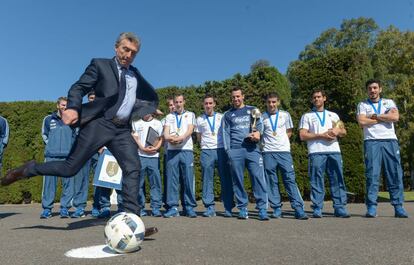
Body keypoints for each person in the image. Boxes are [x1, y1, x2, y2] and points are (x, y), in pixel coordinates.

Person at [1, 32, 159, 217]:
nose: (128, 55)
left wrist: (147, 107)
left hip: (122, 129)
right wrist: (74, 108)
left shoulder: (135, 74)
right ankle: (30, 169)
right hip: (100, 124)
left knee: (133, 168)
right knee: (70, 168)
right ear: (116, 47)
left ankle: (131, 219)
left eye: (133, 52)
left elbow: (129, 98)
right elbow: (78, 88)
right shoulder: (100, 65)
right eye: (125, 49)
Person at [356, 79, 408, 218]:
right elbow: (361, 121)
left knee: (394, 173)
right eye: (370, 88)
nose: (372, 91)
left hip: (390, 141)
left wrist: (374, 116)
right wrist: (385, 117)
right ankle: (372, 207)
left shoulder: (389, 102)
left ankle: (398, 207)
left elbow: (395, 117)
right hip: (371, 142)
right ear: (367, 91)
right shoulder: (362, 104)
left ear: (380, 89)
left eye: (375, 88)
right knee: (372, 174)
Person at [299, 88, 350, 218]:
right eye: (314, 97)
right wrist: (321, 135)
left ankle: (339, 207)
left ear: (324, 98)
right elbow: (303, 135)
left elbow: (344, 132)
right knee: (316, 180)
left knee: (337, 179)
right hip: (316, 152)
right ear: (312, 100)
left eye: (319, 97)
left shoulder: (334, 115)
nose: (316, 99)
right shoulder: (307, 116)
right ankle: (317, 208)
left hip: (334, 151)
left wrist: (336, 132)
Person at [222, 86, 269, 220]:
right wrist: (228, 150)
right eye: (233, 97)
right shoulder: (227, 114)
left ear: (243, 96)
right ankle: (242, 208)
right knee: (238, 180)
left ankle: (262, 209)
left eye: (238, 96)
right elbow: (226, 133)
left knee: (258, 178)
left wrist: (258, 134)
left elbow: (260, 125)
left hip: (252, 149)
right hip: (235, 150)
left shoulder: (252, 110)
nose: (236, 99)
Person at [261, 93, 308, 220]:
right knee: (272, 181)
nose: (271, 104)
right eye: (269, 102)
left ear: (278, 102)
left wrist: (281, 143)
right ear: (266, 103)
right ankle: (276, 208)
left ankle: (298, 208)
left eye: (274, 102)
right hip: (268, 152)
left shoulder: (285, 115)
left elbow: (289, 132)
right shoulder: (262, 117)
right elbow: (260, 134)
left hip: (283, 152)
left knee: (289, 179)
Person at [39, 97, 78, 218]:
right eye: (62, 105)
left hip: (67, 158)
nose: (64, 107)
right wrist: (51, 146)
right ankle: (47, 209)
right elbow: (44, 135)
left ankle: (65, 209)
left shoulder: (73, 120)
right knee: (49, 185)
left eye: (66, 105)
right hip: (51, 157)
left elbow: (76, 136)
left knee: (68, 185)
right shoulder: (48, 119)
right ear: (58, 106)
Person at [195, 94, 234, 217]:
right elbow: (199, 137)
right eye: (206, 103)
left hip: (221, 150)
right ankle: (209, 207)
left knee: (225, 178)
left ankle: (228, 207)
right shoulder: (199, 119)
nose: (208, 105)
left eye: (210, 103)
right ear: (203, 105)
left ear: (214, 104)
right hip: (207, 150)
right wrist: (205, 146)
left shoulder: (222, 117)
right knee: (207, 179)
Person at [163, 94, 197, 218]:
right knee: (172, 180)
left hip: (186, 150)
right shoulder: (169, 116)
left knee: (188, 178)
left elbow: (190, 130)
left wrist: (180, 138)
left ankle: (189, 207)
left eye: (180, 101)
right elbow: (166, 133)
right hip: (172, 151)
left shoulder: (191, 115)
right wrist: (170, 139)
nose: (178, 104)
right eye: (176, 102)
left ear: (184, 102)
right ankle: (173, 207)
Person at [132, 113, 163, 217]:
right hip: (140, 156)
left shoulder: (158, 123)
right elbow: (135, 138)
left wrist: (156, 148)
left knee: (155, 183)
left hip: (154, 157)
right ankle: (140, 207)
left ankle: (156, 208)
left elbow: (160, 138)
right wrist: (142, 148)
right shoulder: (136, 122)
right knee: (139, 184)